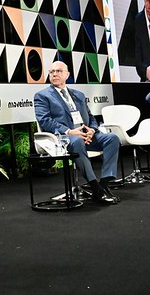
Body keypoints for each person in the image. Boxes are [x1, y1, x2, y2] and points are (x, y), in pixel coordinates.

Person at [33, 61, 121, 205]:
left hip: (86, 135)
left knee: (112, 138)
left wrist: (92, 130)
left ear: (67, 74)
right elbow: (45, 121)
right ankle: (95, 187)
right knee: (77, 141)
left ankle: (104, 185)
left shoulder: (78, 94)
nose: (54, 74)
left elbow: (90, 117)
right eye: (51, 72)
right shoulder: (42, 96)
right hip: (63, 138)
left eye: (58, 71)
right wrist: (69, 131)